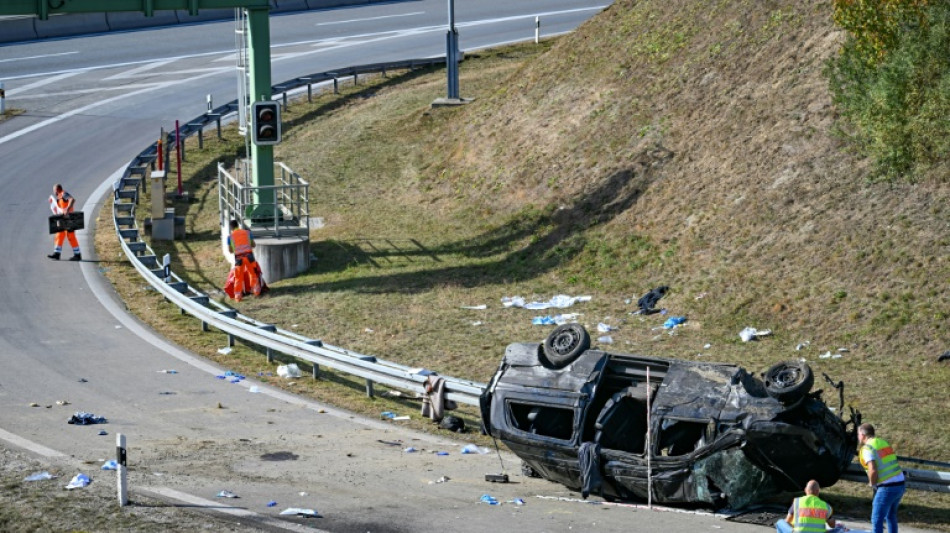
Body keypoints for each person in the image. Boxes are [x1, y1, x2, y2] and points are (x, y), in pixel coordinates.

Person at [858, 423, 905, 533]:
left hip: (886, 487)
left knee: (876, 520)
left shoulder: (867, 448)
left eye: (858, 434)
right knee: (890, 516)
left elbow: (873, 470)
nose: (858, 437)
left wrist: (872, 483)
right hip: (900, 484)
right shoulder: (883, 443)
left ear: (863, 435)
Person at [776, 480, 847, 533]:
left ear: (805, 490)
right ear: (818, 491)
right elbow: (832, 525)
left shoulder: (797, 502)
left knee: (780, 522)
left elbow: (787, 521)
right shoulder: (825, 506)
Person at [227, 220, 261, 301]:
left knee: (238, 277)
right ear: (238, 225)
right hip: (249, 256)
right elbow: (253, 244)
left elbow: (230, 251)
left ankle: (238, 297)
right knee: (253, 273)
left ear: (231, 227)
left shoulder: (230, 237)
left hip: (239, 258)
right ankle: (256, 292)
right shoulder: (247, 233)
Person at [48, 184, 81, 261]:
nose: (54, 193)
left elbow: (72, 199)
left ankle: (77, 255)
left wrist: (68, 208)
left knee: (71, 236)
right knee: (59, 234)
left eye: (54, 191)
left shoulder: (63, 194)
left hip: (70, 219)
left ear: (57, 190)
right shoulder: (59, 197)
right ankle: (57, 253)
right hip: (63, 219)